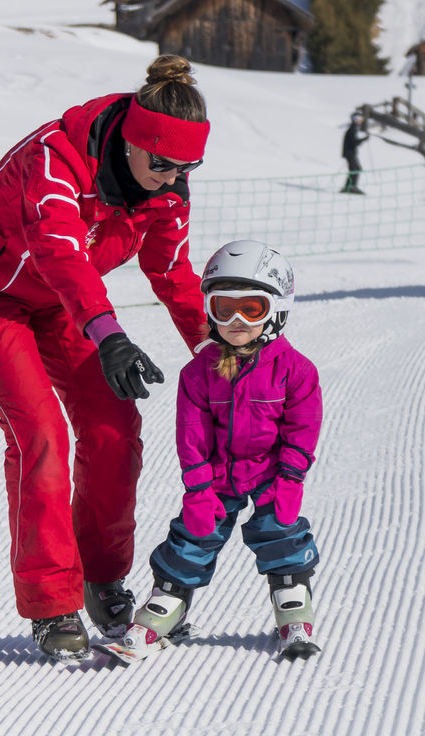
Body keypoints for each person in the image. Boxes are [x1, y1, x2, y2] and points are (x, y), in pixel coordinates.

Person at [0, 54, 211, 659]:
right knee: (39, 434)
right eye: (160, 163)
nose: (170, 178)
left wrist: (217, 353)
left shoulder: (166, 192)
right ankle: (51, 602)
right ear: (131, 143)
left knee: (115, 428)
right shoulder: (56, 155)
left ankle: (102, 575)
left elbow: (171, 272)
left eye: (186, 167)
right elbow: (59, 248)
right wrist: (109, 333)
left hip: (67, 307)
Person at [119, 239, 324, 661]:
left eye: (251, 309)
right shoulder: (198, 372)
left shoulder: (296, 370)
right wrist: (197, 488)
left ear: (277, 311)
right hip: (218, 474)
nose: (234, 320)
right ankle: (167, 603)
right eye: (221, 307)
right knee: (194, 535)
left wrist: (290, 478)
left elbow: (303, 428)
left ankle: (293, 607)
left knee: (280, 533)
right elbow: (191, 435)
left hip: (270, 472)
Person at [341, 113, 369, 195]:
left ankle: (348, 186)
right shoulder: (352, 129)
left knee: (354, 169)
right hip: (350, 153)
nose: (361, 122)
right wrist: (364, 139)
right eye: (360, 120)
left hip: (349, 153)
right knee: (356, 169)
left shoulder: (353, 128)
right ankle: (351, 187)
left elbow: (354, 142)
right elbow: (354, 142)